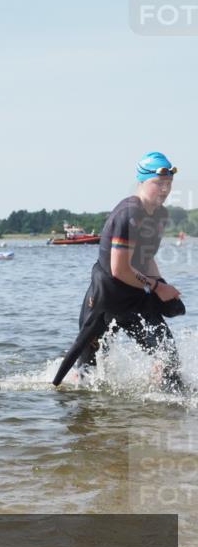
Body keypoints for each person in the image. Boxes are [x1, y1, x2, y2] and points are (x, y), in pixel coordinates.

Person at [53, 152, 185, 390]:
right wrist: (157, 287)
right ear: (141, 181)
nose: (165, 189)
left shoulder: (160, 215)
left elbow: (146, 258)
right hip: (105, 299)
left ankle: (163, 406)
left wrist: (162, 285)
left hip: (135, 298)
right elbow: (119, 270)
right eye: (158, 183)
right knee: (85, 376)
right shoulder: (129, 213)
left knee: (168, 358)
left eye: (168, 183)